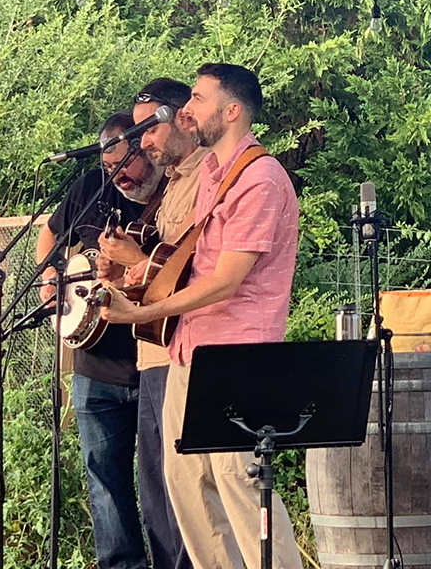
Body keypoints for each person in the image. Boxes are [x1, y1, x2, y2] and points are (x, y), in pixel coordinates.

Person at [101, 64, 303, 569]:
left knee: (239, 482)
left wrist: (141, 311)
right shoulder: (213, 173)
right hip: (189, 348)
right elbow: (190, 266)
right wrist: (137, 277)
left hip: (237, 354)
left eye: (196, 98)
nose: (185, 109)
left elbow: (225, 282)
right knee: (187, 484)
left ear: (231, 111)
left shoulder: (260, 177)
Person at [36, 112, 165, 569]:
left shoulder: (174, 196)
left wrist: (134, 260)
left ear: (148, 152)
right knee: (105, 482)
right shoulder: (92, 188)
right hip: (94, 364)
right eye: (110, 167)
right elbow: (51, 232)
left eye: (126, 165)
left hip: (153, 362)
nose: (119, 177)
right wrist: (51, 277)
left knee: (162, 485)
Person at [98, 78, 209, 569]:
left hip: (182, 350)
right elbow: (154, 274)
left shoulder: (210, 177)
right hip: (152, 352)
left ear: (182, 117)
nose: (142, 142)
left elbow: (192, 273)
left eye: (148, 130)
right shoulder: (172, 185)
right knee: (156, 491)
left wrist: (136, 259)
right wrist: (119, 274)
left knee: (182, 492)